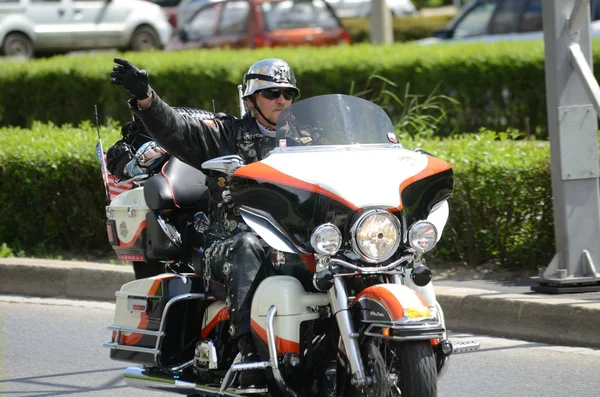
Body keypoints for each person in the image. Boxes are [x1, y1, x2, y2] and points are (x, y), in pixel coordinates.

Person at [109, 57, 303, 387]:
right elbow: (174, 129)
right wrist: (145, 97)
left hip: (296, 241)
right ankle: (248, 352)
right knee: (248, 246)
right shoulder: (226, 134)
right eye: (272, 93)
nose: (282, 100)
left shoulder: (307, 141)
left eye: (288, 93)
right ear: (251, 99)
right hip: (228, 242)